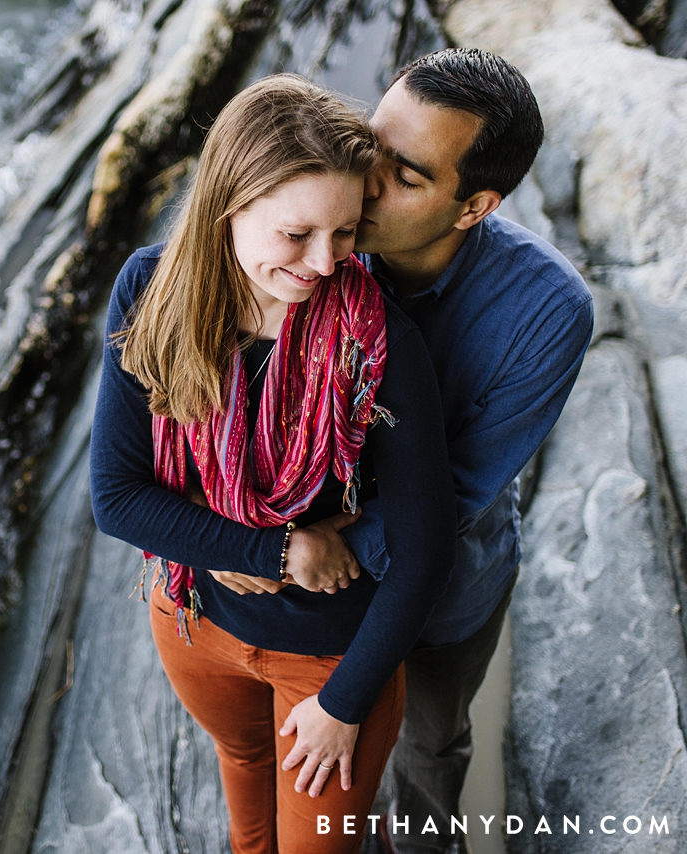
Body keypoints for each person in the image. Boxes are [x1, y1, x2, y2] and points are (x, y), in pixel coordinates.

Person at [89, 74, 457, 854]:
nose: (325, 264)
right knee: (246, 796)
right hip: (194, 622)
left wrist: (345, 703)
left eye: (347, 233)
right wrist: (277, 548)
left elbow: (427, 550)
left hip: (332, 659)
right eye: (297, 235)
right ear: (230, 203)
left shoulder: (375, 341)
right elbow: (117, 497)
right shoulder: (150, 290)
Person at [278, 50, 594, 854]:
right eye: (370, 145)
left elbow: (459, 493)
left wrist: (303, 551)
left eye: (406, 175)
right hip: (298, 565)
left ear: (473, 206)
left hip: (445, 583)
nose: (365, 182)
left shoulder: (548, 311)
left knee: (430, 741)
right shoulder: (313, 242)